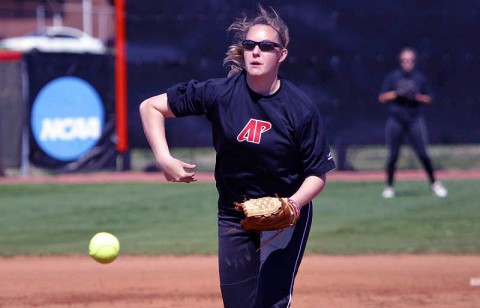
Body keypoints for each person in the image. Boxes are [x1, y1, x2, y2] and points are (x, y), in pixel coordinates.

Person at [139, 5, 335, 307]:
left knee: (271, 301)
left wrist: (292, 204)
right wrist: (164, 159)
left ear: (281, 54)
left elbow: (316, 175)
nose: (256, 51)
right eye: (249, 45)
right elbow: (150, 107)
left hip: (285, 216)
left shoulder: (300, 109)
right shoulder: (220, 93)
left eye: (266, 46)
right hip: (235, 213)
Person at [378, 47, 447, 198]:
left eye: (410, 60)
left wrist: (415, 96)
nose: (407, 63)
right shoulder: (393, 77)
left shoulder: (420, 78)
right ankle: (389, 187)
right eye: (404, 60)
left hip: (414, 119)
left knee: (423, 153)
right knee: (392, 155)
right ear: (400, 61)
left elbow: (430, 98)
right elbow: (382, 97)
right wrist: (397, 93)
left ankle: (435, 183)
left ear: (414, 62)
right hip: (396, 119)